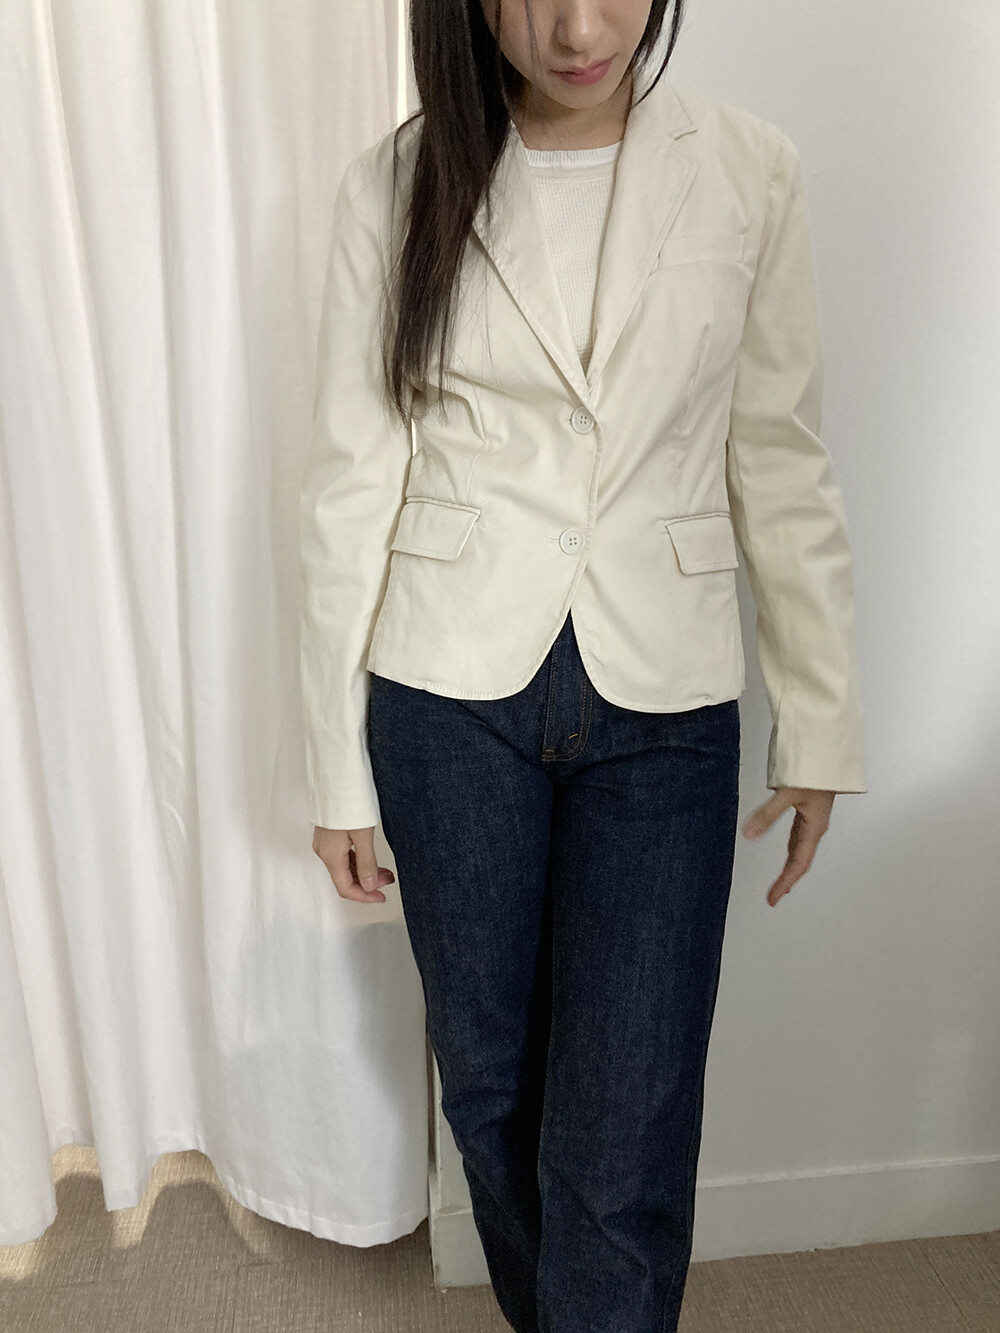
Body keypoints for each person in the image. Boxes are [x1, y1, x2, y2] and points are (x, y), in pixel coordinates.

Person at [298, 2, 868, 1329]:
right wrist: (331, 766)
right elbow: (348, 482)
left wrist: (819, 721)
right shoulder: (398, 181)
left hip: (664, 699)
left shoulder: (749, 171)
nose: (575, 28)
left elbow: (780, 457)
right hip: (448, 696)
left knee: (626, 1123)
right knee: (491, 1091)